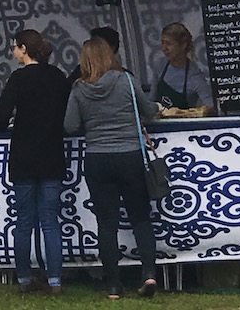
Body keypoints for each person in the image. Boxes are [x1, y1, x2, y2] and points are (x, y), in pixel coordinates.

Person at [65, 38, 160, 299]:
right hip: (129, 155)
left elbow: (70, 125)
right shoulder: (126, 80)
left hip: (98, 158)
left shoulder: (79, 89)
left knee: (106, 223)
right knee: (140, 218)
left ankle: (114, 285)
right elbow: (148, 111)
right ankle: (149, 274)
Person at [0, 28, 69, 295]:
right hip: (52, 154)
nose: (13, 51)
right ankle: (56, 280)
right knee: (50, 219)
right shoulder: (58, 77)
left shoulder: (18, 78)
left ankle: (24, 278)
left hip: (23, 156)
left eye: (14, 47)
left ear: (24, 49)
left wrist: (10, 121)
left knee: (24, 220)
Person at [153, 22, 213, 115]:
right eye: (162, 43)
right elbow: (150, 100)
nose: (164, 48)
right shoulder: (160, 65)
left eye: (169, 44)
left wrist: (180, 112)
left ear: (183, 45)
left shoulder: (195, 77)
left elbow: (210, 108)